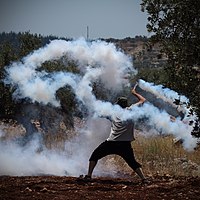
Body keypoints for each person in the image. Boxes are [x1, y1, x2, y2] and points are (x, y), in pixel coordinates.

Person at [83, 85, 149, 183]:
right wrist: (134, 93)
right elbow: (143, 100)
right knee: (132, 162)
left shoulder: (113, 113)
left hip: (112, 142)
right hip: (125, 144)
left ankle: (88, 176)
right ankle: (144, 179)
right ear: (126, 105)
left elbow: (98, 112)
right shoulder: (132, 111)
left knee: (94, 156)